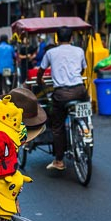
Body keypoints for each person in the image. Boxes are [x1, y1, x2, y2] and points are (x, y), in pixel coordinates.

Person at [37, 27, 88, 171]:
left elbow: (41, 71)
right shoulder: (79, 51)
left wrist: (40, 81)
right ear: (72, 38)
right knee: (85, 113)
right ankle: (87, 128)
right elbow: (82, 69)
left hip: (61, 94)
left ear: (57, 39)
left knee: (57, 126)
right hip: (80, 91)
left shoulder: (51, 53)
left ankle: (59, 160)